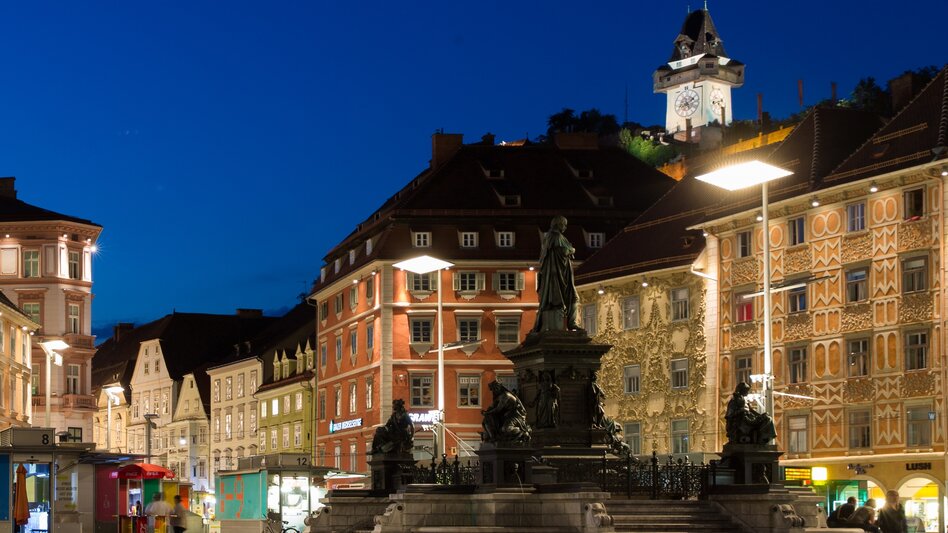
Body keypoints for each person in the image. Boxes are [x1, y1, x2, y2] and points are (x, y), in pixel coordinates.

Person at [532, 216, 582, 333]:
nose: (565, 227)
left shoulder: (550, 237)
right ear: (558, 224)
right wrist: (571, 250)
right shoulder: (555, 236)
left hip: (562, 273)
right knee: (571, 298)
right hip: (557, 275)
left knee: (573, 298)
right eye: (563, 224)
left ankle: (572, 323)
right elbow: (562, 251)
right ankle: (571, 323)